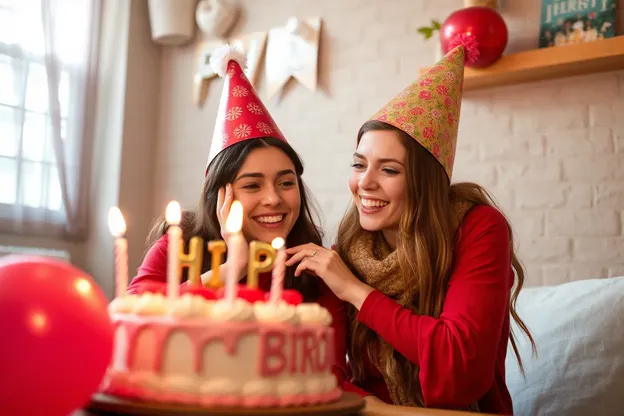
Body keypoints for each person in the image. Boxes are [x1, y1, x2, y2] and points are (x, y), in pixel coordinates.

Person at [285, 41, 537, 414]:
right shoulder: (349, 248)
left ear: (424, 182)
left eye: (389, 170)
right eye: (358, 165)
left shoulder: (477, 228)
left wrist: (356, 292)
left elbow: (460, 371)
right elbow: (328, 374)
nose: (365, 183)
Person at [125, 45, 351, 387]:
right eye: (252, 185)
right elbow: (132, 321)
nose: (274, 199)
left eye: (286, 182)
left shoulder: (314, 268)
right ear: (222, 194)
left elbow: (330, 374)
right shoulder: (180, 245)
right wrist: (232, 268)